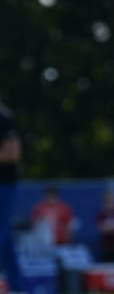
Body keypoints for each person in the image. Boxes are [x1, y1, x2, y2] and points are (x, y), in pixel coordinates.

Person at [0, 101, 24, 292]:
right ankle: (17, 287)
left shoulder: (3, 116)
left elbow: (13, 153)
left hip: (4, 184)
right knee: (5, 237)